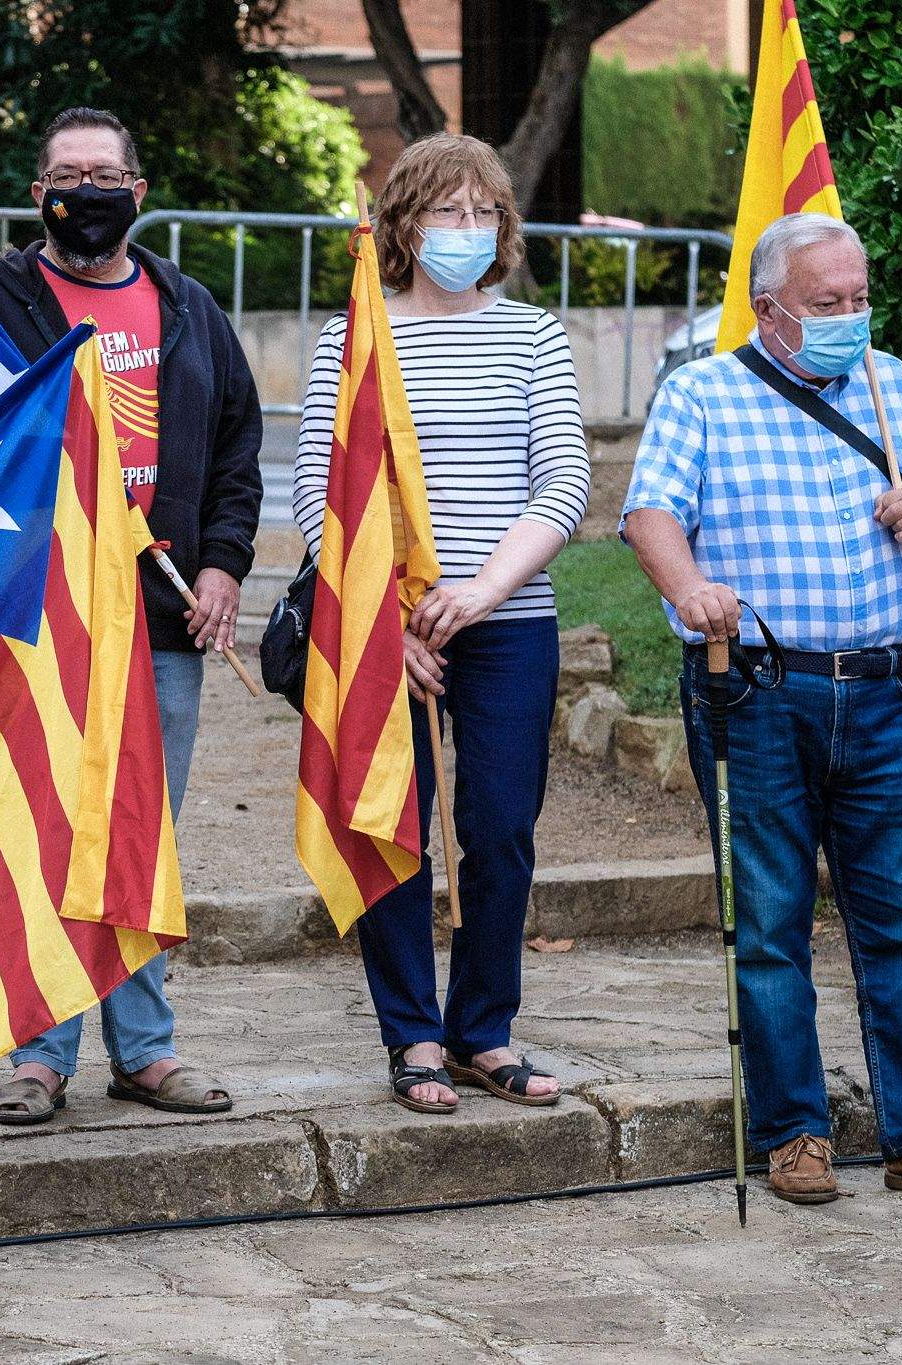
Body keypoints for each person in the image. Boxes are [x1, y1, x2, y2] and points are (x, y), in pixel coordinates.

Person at [622, 211, 902, 1206]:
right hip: (755, 692)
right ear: (767, 310)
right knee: (769, 922)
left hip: (883, 691)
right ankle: (793, 1132)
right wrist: (689, 585)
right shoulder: (700, 392)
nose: (847, 318)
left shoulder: (893, 383)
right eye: (824, 305)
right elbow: (647, 511)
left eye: (857, 299)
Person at [0, 106, 260, 1125]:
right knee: (49, 825)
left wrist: (224, 566)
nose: (83, 189)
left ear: (136, 192)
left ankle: (143, 1049)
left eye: (103, 172)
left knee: (145, 831)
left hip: (165, 614)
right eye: (65, 172)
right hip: (38, 613)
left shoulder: (187, 306)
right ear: (35, 190)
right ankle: (40, 1053)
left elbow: (234, 450)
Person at [294, 133, 589, 1115]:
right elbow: (315, 493)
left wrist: (478, 593)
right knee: (391, 831)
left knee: (499, 828)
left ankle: (482, 1032)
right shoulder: (355, 336)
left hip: (506, 620)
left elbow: (562, 483)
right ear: (399, 225)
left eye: (481, 213)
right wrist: (387, 624)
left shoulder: (532, 336)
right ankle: (410, 1034)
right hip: (385, 630)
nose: (463, 230)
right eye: (442, 211)